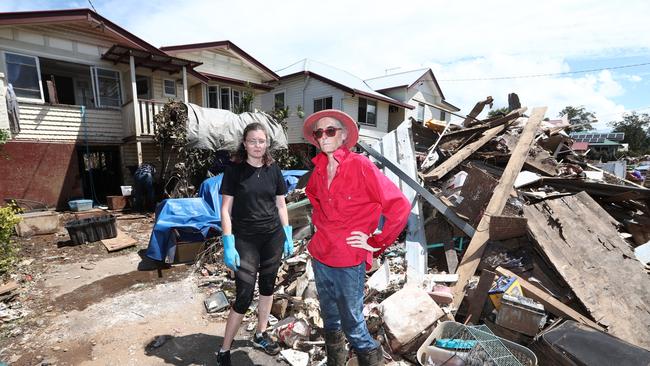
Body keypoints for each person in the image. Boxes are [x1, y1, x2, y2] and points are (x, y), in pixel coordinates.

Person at [303, 110, 410, 366]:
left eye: (331, 130)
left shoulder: (360, 165)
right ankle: (335, 362)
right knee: (330, 319)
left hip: (348, 259)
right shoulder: (318, 170)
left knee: (353, 323)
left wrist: (375, 242)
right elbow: (317, 203)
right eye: (319, 132)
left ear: (344, 136)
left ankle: (370, 358)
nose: (324, 136)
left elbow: (400, 206)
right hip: (321, 255)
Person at [216, 122, 294, 366]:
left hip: (272, 237)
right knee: (244, 294)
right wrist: (228, 242)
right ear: (245, 143)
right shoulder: (234, 170)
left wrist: (288, 234)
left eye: (261, 141)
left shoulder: (274, 169)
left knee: (268, 286)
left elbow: (281, 204)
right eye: (252, 141)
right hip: (245, 240)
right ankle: (225, 349)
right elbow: (225, 209)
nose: (257, 145)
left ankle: (261, 333)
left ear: (267, 144)